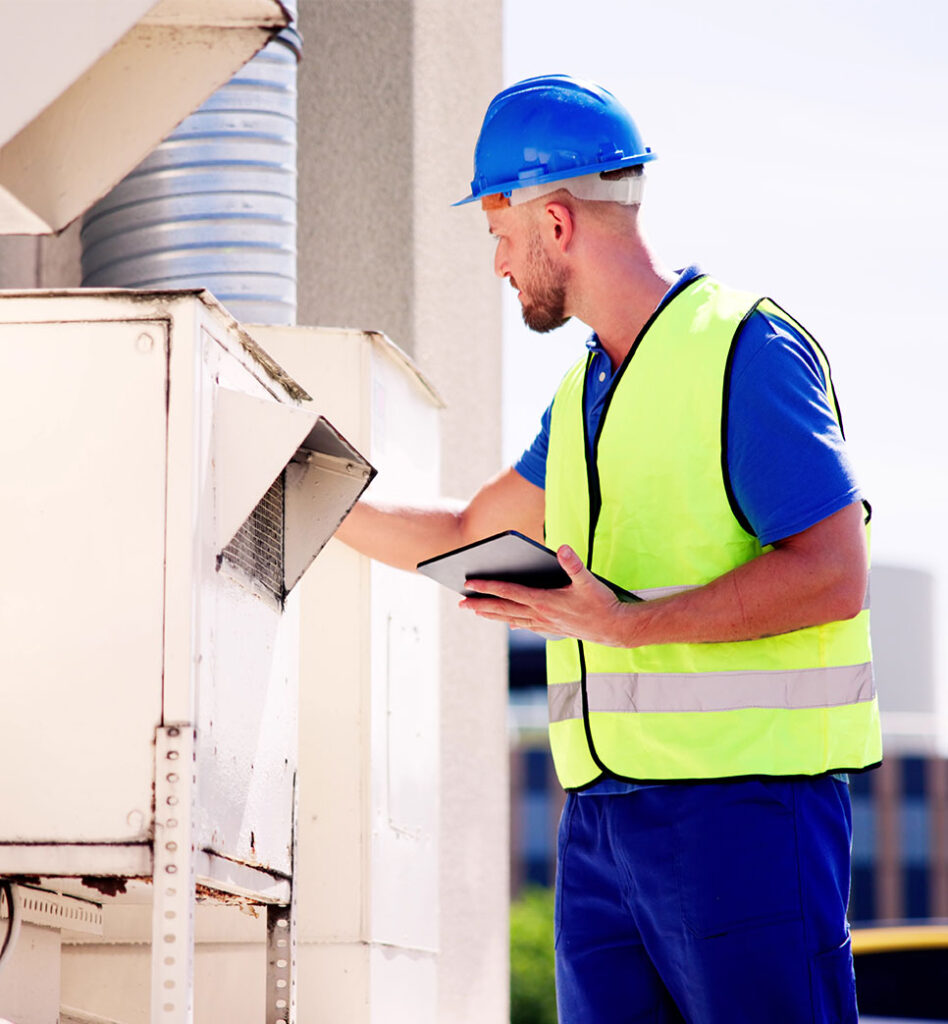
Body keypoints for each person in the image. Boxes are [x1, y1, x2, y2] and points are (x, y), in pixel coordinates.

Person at [336, 74, 882, 1023]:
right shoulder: (583, 392)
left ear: (555, 223)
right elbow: (470, 533)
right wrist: (312, 498)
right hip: (601, 828)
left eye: (501, 235)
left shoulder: (744, 349)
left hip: (747, 813)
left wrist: (624, 625)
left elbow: (834, 576)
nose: (498, 265)